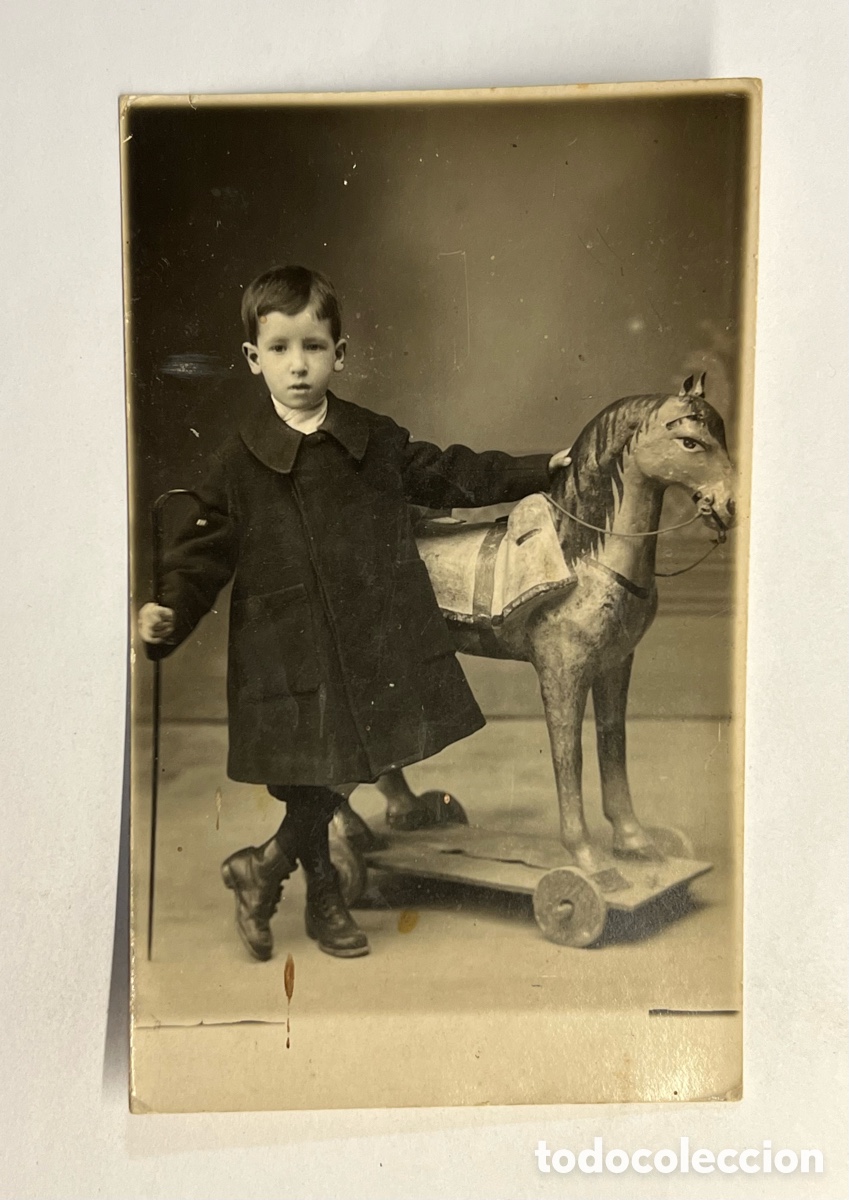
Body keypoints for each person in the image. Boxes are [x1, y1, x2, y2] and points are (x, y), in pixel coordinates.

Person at [138, 265, 572, 962]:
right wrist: (167, 610)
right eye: (279, 349)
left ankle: (277, 874)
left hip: (368, 642)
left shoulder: (371, 440)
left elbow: (452, 473)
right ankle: (315, 894)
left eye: (313, 346)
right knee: (318, 773)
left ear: (340, 353)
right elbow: (200, 555)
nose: (298, 365)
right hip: (287, 652)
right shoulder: (238, 463)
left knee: (337, 768)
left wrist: (541, 468)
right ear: (253, 359)